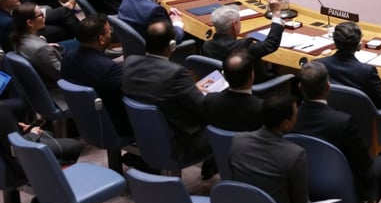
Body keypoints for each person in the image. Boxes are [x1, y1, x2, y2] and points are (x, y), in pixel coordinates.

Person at [292, 61, 381, 202]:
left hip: (303, 180)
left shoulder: (289, 119)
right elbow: (365, 163)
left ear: (300, 87)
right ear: (328, 86)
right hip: (340, 184)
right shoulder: (343, 122)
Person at [122, 21, 210, 161]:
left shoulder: (129, 62)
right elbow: (203, 108)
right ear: (172, 46)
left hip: (142, 132)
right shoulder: (175, 73)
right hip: (179, 140)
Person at [61, 14, 132, 137]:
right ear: (101, 39)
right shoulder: (109, 69)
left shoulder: (67, 58)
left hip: (86, 120)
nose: (111, 33)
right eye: (109, 31)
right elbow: (129, 96)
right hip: (115, 126)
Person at [313, 21, 381, 109]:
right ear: (359, 45)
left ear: (335, 43)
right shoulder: (367, 72)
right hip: (362, 121)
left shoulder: (318, 65)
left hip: (331, 116)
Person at [203, 0, 285, 79]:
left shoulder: (207, 46)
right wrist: (276, 14)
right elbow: (270, 44)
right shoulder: (244, 46)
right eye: (239, 22)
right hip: (253, 84)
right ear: (234, 25)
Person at [202, 51, 264, 132]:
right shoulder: (261, 108)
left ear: (224, 77)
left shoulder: (209, 100)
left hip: (217, 143)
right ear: (252, 77)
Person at [13, 2, 65, 88]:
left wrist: (46, 46)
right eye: (41, 15)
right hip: (56, 87)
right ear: (30, 22)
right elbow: (62, 74)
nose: (45, 16)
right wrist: (46, 49)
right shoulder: (41, 49)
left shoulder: (18, 38)